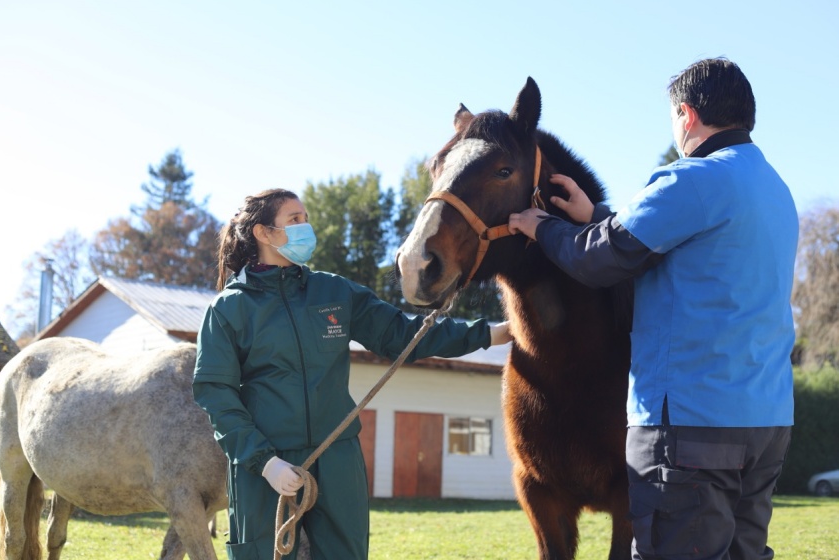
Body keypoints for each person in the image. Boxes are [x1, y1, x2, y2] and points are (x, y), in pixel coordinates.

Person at [507, 58, 797, 559]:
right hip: (765, 422)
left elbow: (599, 261)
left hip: (691, 425)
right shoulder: (774, 190)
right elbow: (685, 244)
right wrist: (596, 215)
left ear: (686, 115)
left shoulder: (693, 180)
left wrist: (543, 227)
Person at [192, 188, 512, 560]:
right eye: (294, 220)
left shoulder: (333, 291)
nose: (305, 226)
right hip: (266, 462)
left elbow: (403, 334)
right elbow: (216, 393)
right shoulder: (229, 309)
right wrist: (264, 462)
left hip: (337, 455)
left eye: (306, 218)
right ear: (263, 233)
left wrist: (489, 334)